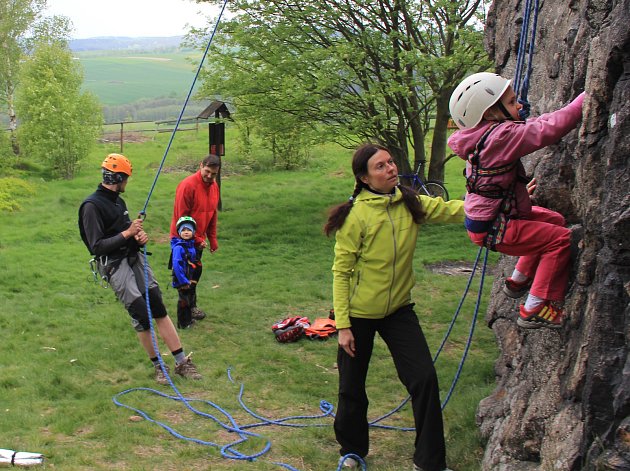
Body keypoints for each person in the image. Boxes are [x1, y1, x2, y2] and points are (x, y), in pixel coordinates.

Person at [323, 143, 463, 471]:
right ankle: (353, 450)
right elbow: (341, 273)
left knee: (424, 378)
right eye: (380, 166)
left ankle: (430, 462)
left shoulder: (409, 201)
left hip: (399, 310)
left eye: (390, 162)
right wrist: (343, 325)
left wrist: (495, 205)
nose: (390, 169)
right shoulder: (355, 215)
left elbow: (453, 209)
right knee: (352, 386)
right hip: (358, 315)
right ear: (365, 178)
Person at [448, 72, 585, 329]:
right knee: (559, 239)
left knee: (555, 220)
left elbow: (531, 125)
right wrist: (582, 101)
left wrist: (517, 192)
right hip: (498, 226)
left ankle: (519, 280)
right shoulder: (500, 137)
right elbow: (547, 129)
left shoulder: (480, 137)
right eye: (511, 102)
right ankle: (535, 306)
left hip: (493, 219)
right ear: (490, 113)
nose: (519, 105)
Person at [79, 153, 202, 385]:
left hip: (134, 259)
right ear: (117, 178)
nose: (127, 182)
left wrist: (138, 238)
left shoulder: (118, 201)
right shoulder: (92, 206)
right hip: (115, 266)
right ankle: (159, 367)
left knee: (157, 306)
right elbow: (97, 246)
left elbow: (127, 235)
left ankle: (182, 362)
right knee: (141, 315)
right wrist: (128, 233)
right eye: (125, 178)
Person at [169, 154, 221, 321]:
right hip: (182, 241)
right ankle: (185, 316)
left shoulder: (214, 187)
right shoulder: (187, 186)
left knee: (195, 274)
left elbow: (212, 214)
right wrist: (197, 239)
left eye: (214, 174)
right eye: (207, 172)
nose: (210, 176)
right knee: (184, 277)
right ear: (200, 166)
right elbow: (181, 220)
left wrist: (212, 238)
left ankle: (192, 307)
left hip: (198, 242)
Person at [171, 216, 202, 329]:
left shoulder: (190, 245)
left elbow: (193, 259)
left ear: (193, 232)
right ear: (179, 232)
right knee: (184, 301)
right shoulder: (178, 248)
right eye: (183, 230)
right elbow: (176, 265)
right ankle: (183, 324)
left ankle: (189, 320)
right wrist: (183, 281)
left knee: (189, 299)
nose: (186, 232)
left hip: (189, 278)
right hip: (181, 279)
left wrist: (199, 248)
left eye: (189, 230)